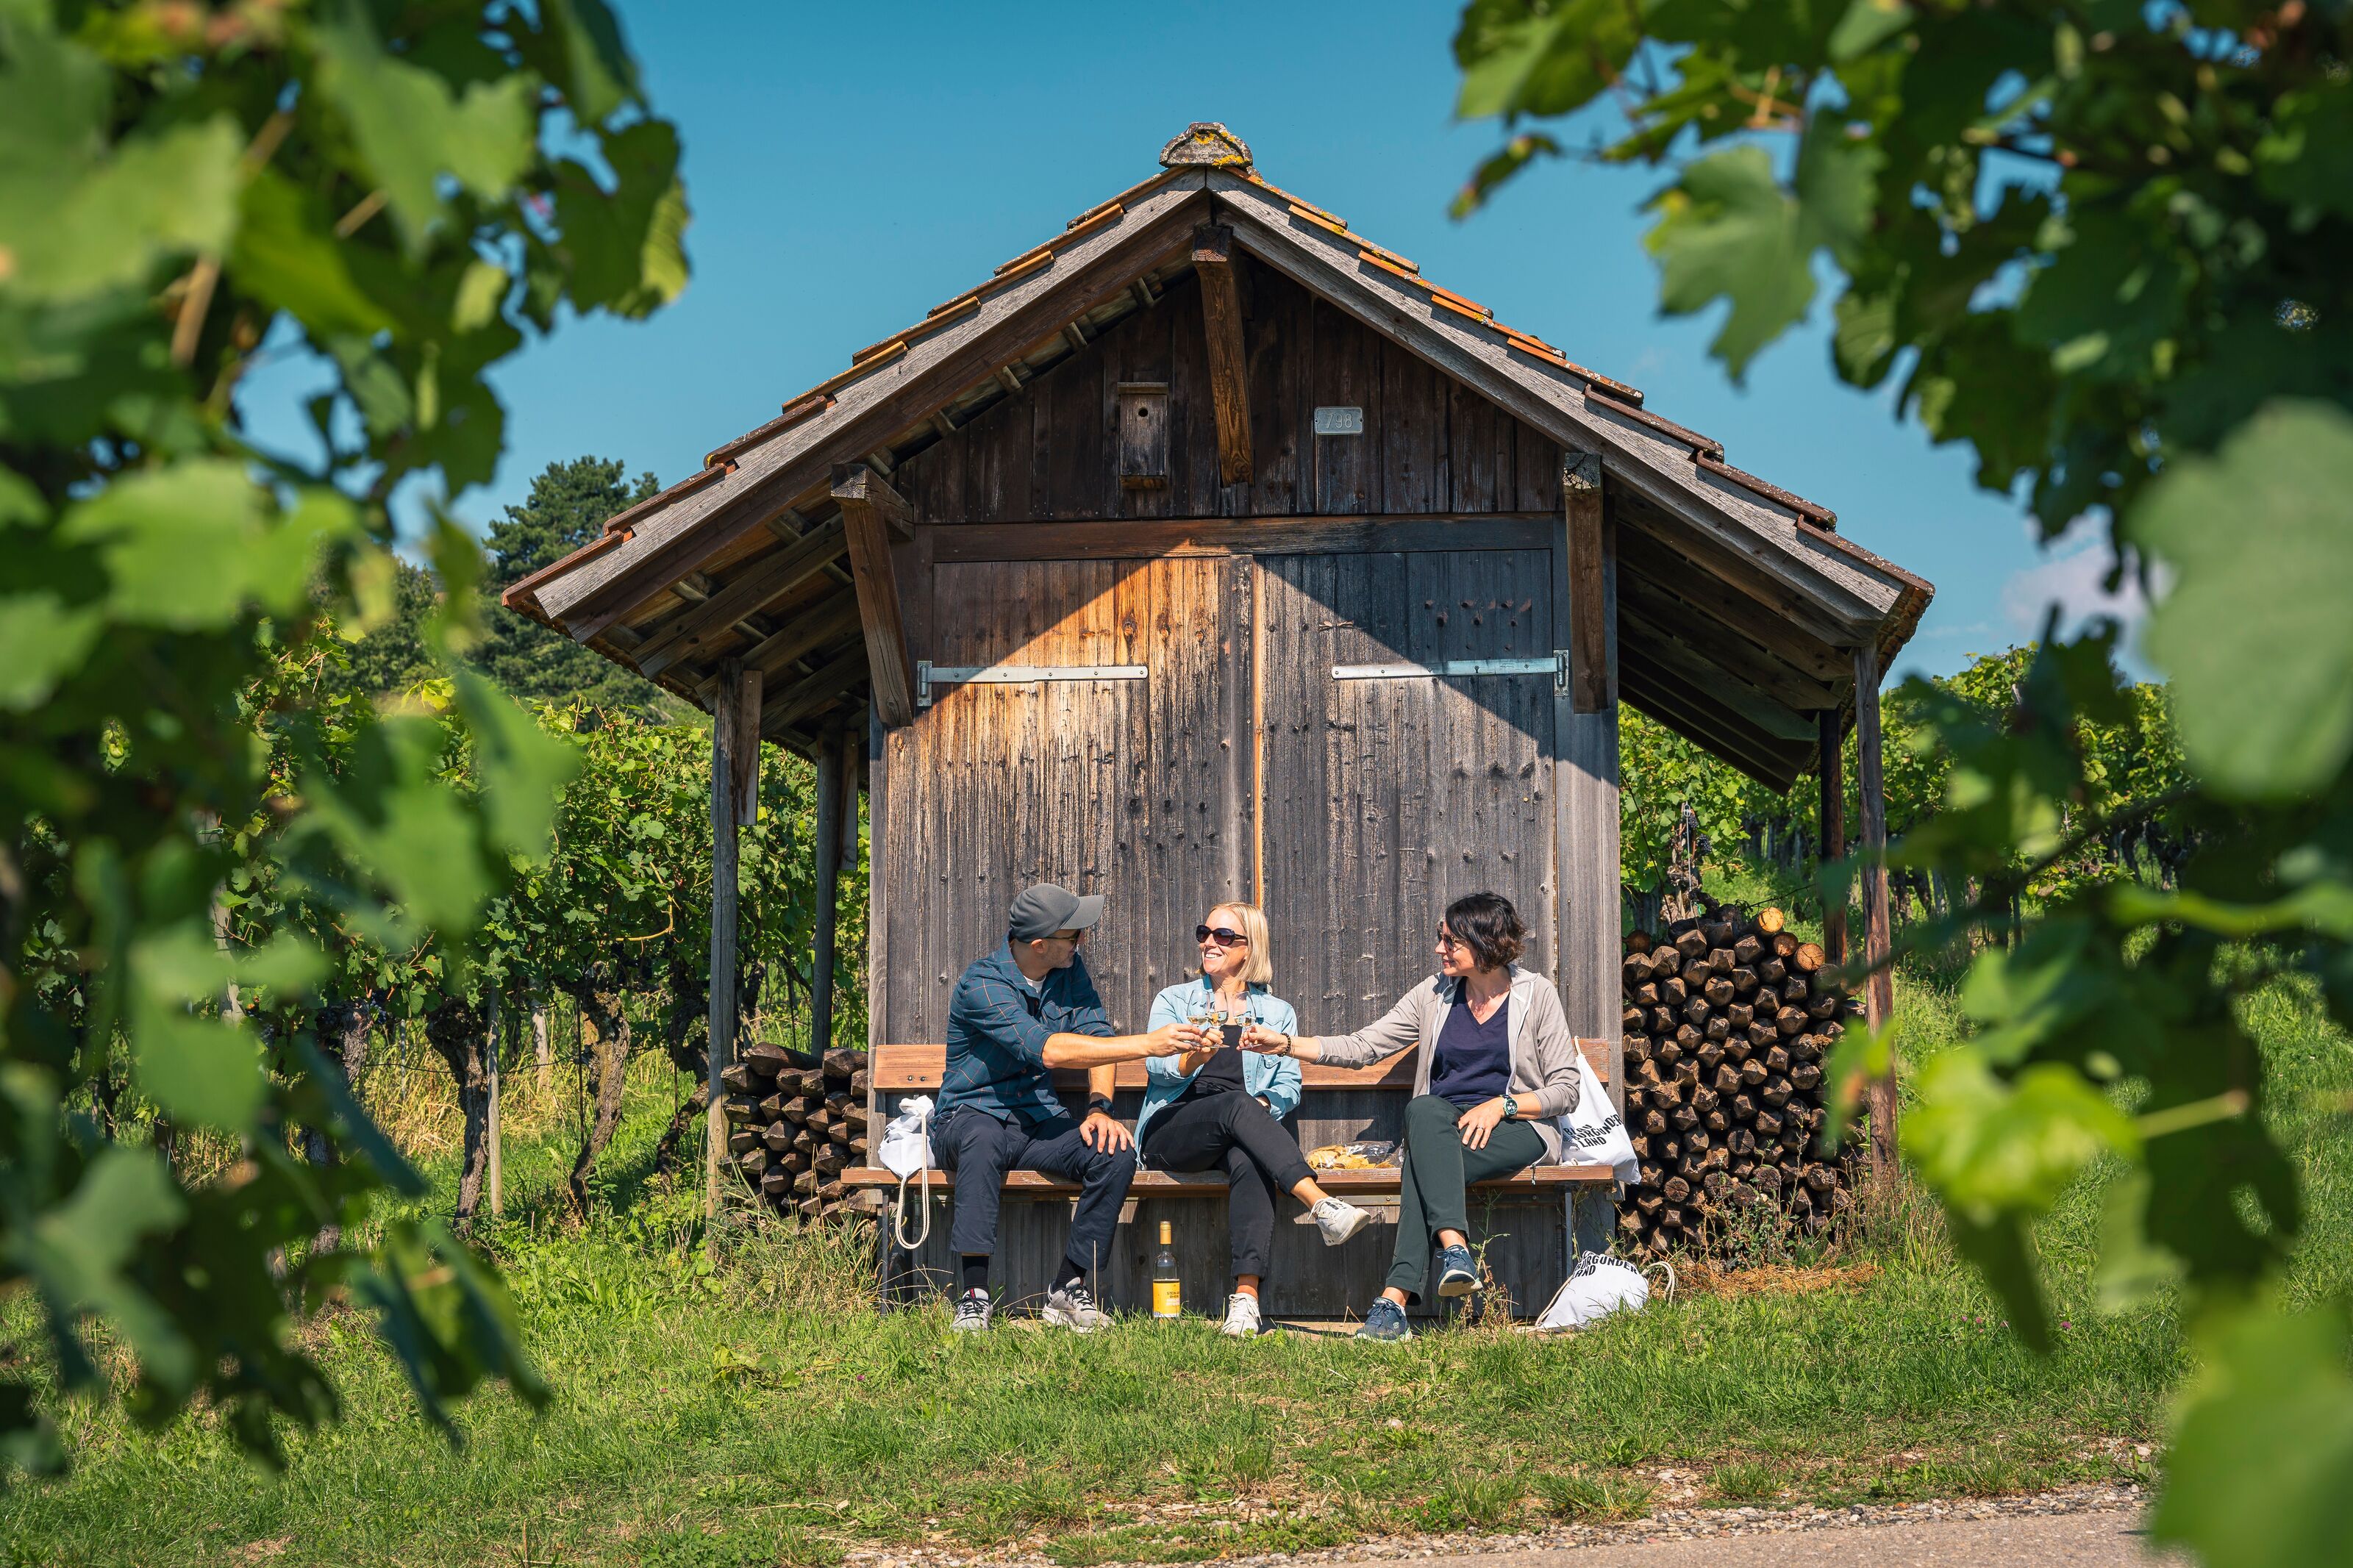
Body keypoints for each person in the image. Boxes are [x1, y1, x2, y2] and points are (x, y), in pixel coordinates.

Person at [1243, 890, 1581, 1342]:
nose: (1440, 948)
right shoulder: (1434, 994)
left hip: (1518, 1127)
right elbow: (1364, 1046)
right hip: (1441, 1127)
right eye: (1441, 938)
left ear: (1484, 943)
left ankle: (1396, 1300)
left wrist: (1501, 1106)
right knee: (1423, 1109)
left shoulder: (1536, 995)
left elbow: (1566, 1089)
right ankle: (1450, 1254)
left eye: (1450, 941)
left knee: (1422, 1166)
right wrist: (1285, 1044)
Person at [935, 882, 1189, 1334]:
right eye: (1073, 934)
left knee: (1114, 1152)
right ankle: (973, 1295)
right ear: (1039, 944)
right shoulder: (982, 984)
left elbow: (1099, 1040)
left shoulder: (1069, 971)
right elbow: (1047, 1049)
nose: (1082, 941)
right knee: (983, 1136)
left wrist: (1099, 1109)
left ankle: (1068, 1287)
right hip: (969, 1117)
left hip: (1036, 1121)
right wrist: (1148, 1045)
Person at [1136, 904, 1374, 1339]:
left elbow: (1289, 1084)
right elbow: (1157, 1068)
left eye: (1223, 936)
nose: (1209, 942)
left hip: (1238, 1126)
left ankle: (1246, 1300)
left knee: (1250, 1154)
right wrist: (1196, 1057)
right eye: (1205, 932)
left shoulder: (1276, 1012)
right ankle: (1320, 1204)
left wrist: (1263, 1104)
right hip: (1173, 1128)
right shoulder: (1175, 1000)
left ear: (1249, 948)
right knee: (1236, 1105)